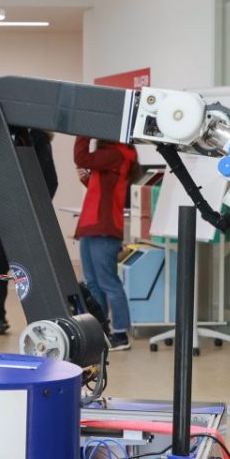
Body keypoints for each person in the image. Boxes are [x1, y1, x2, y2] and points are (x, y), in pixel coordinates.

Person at [0, 127, 57, 336]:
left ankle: (37, 318)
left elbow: (50, 180)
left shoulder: (36, 137)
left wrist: (34, 209)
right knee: (0, 269)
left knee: (29, 271)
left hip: (26, 216)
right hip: (3, 215)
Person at [74, 134, 137, 351]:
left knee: (108, 283)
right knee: (93, 284)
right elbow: (103, 188)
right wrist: (86, 179)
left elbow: (81, 156)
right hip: (93, 226)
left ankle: (120, 333)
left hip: (103, 228)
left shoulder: (117, 152)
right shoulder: (112, 154)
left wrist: (82, 132)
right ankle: (101, 330)